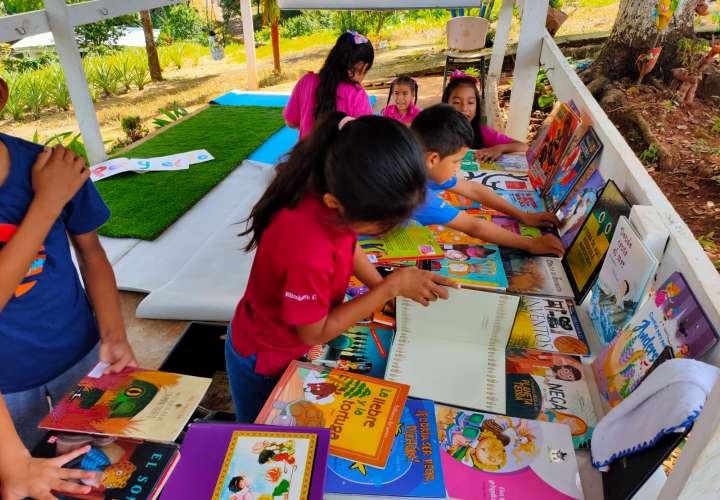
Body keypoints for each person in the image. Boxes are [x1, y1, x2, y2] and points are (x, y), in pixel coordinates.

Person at [227, 113, 456, 423]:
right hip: (267, 359)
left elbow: (349, 246)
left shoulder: (335, 186)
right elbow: (313, 333)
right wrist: (390, 287)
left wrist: (381, 288)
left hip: (287, 343)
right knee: (260, 432)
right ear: (335, 203)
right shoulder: (308, 249)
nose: (388, 230)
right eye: (383, 223)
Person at [0, 79, 135, 498]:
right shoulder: (52, 184)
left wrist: (113, 335)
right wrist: (47, 204)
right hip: (8, 389)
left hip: (80, 355)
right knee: (26, 474)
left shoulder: (52, 167)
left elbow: (91, 253)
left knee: (97, 462)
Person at [411, 105, 564, 256]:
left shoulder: (425, 168)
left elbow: (472, 189)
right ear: (432, 159)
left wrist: (522, 215)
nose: (458, 168)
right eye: (456, 161)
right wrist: (530, 243)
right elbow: (474, 226)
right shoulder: (418, 196)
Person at [283, 31, 375, 139]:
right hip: (340, 156)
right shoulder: (357, 94)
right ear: (363, 67)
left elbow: (291, 122)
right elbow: (365, 137)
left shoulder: (306, 81)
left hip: (306, 154)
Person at [442, 71, 528, 162]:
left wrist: (499, 148)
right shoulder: (435, 131)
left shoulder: (482, 132)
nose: (464, 108)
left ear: (477, 107)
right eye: (456, 102)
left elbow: (524, 147)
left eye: (470, 102)